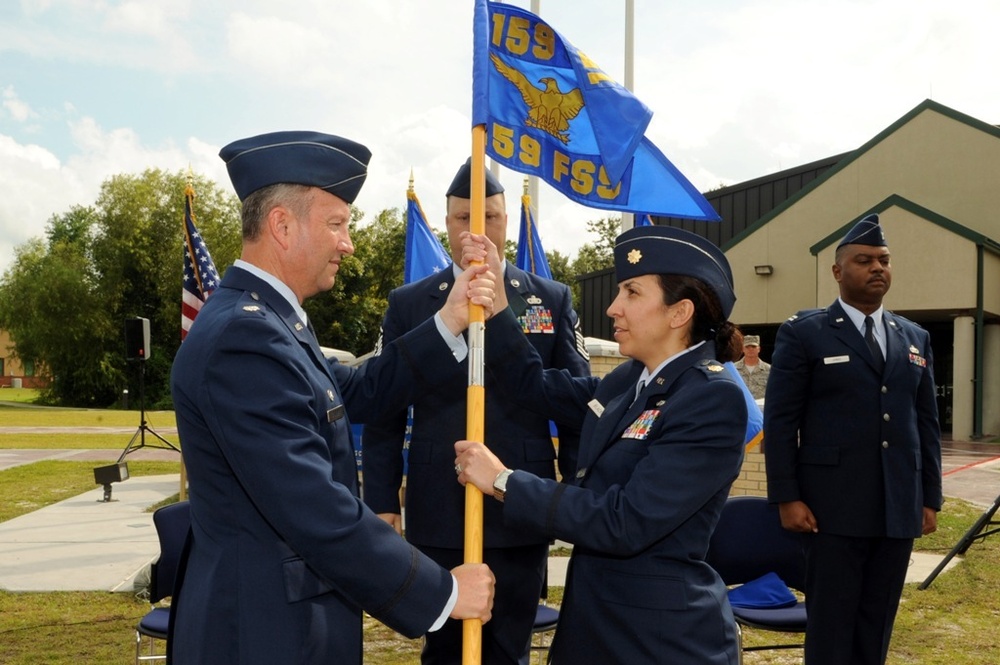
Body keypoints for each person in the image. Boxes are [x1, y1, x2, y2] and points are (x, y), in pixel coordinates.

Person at [168, 131, 499, 665]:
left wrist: (450, 318)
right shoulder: (244, 338)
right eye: (336, 224)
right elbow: (314, 507)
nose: (348, 243)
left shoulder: (272, 323)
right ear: (281, 225)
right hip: (261, 632)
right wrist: (443, 592)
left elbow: (359, 390)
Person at [454, 225, 747, 664]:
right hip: (596, 626)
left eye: (632, 293)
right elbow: (532, 386)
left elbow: (625, 521)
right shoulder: (629, 380)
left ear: (679, 312)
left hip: (660, 641)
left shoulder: (710, 397)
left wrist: (503, 481)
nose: (613, 308)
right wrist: (496, 303)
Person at [361, 159, 591, 665]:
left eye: (490, 216)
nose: (477, 230)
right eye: (464, 218)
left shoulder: (548, 298)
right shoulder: (411, 303)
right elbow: (383, 410)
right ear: (446, 224)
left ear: (508, 220)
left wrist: (575, 492)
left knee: (510, 645)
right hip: (438, 503)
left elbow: (577, 401)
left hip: (520, 502)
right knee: (444, 647)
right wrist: (383, 500)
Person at [763, 213, 942, 665]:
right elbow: (782, 422)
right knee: (831, 623)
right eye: (864, 260)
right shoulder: (805, 332)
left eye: (884, 260)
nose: (877, 268)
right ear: (838, 272)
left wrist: (930, 497)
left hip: (896, 506)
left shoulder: (914, 336)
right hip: (830, 508)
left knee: (876, 619)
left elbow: (925, 423)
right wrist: (787, 496)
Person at [734, 334, 770, 400]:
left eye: (753, 347)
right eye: (747, 347)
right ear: (743, 349)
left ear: (759, 349)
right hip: (741, 405)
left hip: (761, 407)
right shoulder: (734, 369)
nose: (750, 349)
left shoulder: (768, 369)